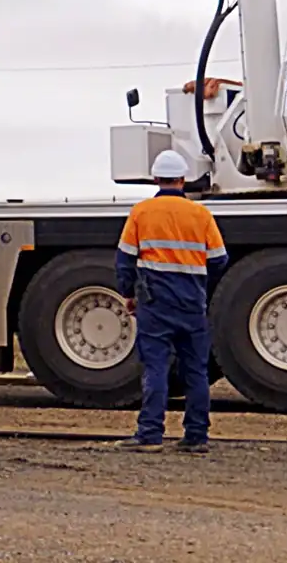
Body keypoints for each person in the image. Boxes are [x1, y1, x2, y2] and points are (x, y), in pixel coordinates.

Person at [114, 148, 228, 453]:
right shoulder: (200, 214)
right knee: (196, 371)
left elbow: (125, 259)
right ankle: (196, 436)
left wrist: (128, 294)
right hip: (191, 303)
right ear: (182, 179)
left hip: (155, 304)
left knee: (156, 368)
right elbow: (219, 259)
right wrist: (201, 285)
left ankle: (150, 434)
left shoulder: (141, 213)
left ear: (155, 178)